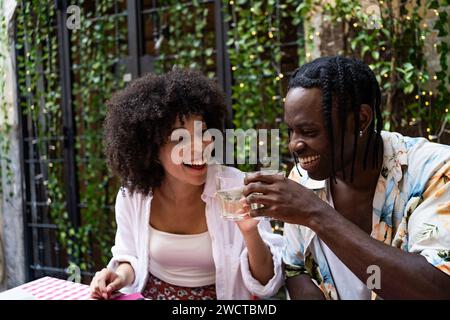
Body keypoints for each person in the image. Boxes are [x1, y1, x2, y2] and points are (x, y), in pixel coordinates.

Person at [242, 56, 450, 299]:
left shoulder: (434, 171)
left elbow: (436, 289)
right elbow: (296, 269)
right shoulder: (302, 180)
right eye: (291, 131)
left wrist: (315, 214)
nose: (294, 145)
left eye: (309, 131)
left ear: (361, 119)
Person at [89, 69, 283, 300]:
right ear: (151, 150)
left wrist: (250, 232)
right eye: (180, 138)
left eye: (202, 132)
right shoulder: (133, 194)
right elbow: (130, 255)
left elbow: (268, 283)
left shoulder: (236, 187)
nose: (199, 146)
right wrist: (119, 276)